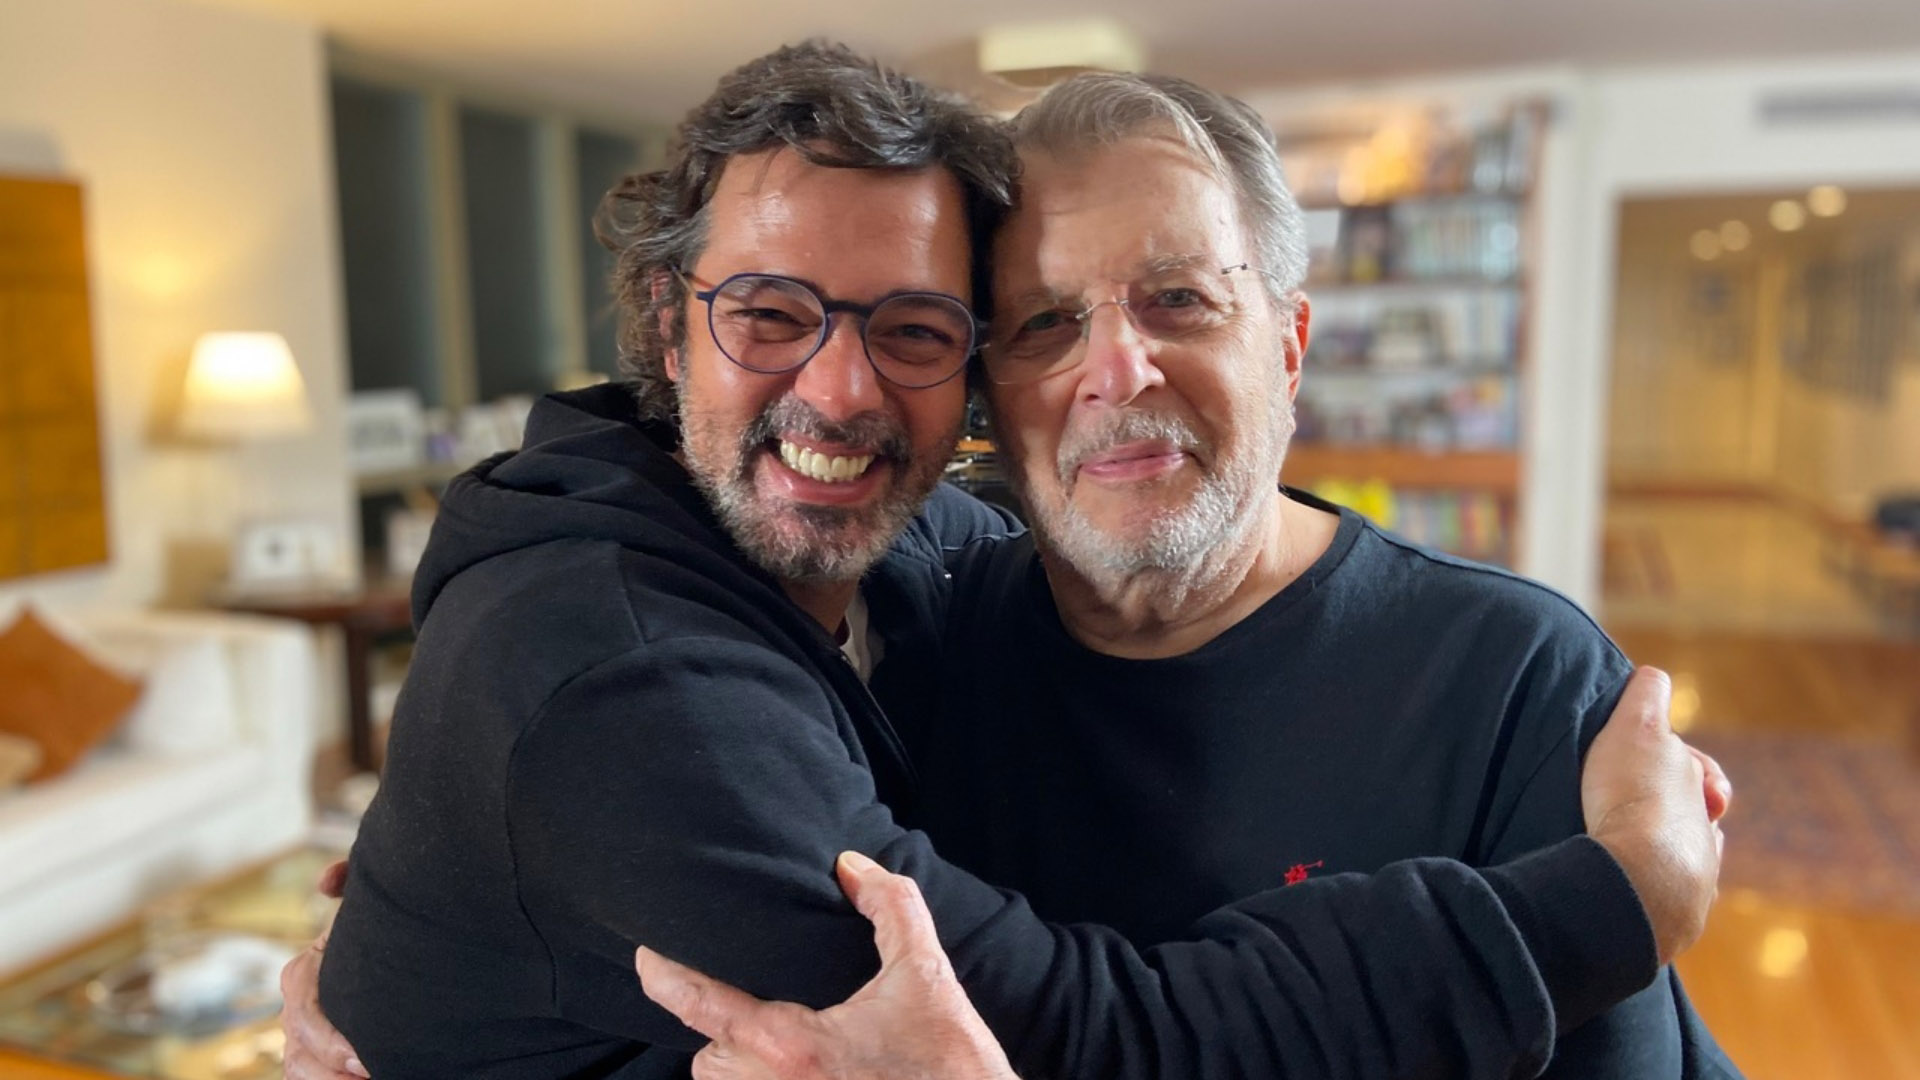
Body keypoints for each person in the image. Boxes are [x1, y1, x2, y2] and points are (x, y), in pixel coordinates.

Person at [292, 43, 1726, 1080]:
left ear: (1290, 344)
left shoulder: (1520, 679)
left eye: (1179, 299)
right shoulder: (852, 640)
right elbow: (1089, 1036)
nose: (1115, 370)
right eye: (1043, 323)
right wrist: (458, 884)